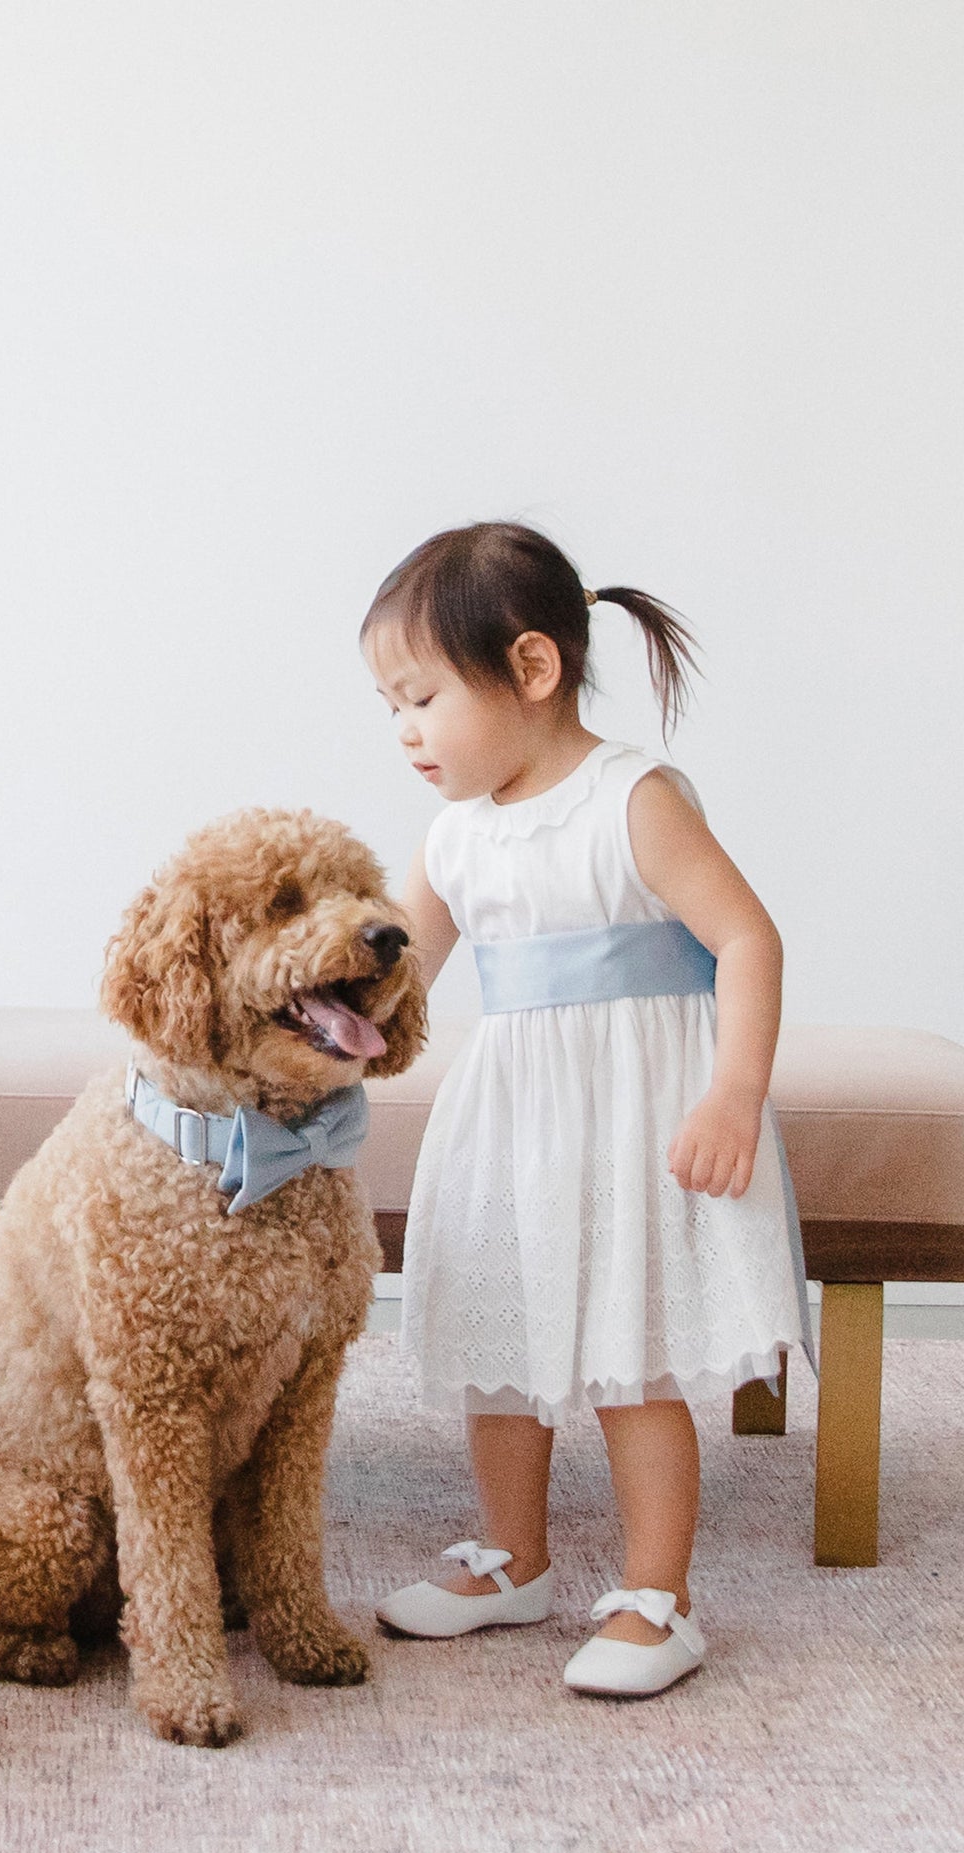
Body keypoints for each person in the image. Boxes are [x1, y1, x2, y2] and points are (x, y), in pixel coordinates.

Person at [363, 521, 810, 1697]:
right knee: (499, 1345)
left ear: (530, 668)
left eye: (419, 697)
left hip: (634, 1119)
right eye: (388, 705)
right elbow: (397, 972)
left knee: (631, 1355)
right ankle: (513, 1556)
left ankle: (655, 1595)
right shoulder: (455, 833)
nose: (401, 729)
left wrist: (732, 1089)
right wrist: (318, 1040)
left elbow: (745, 938)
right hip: (514, 1121)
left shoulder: (631, 798)